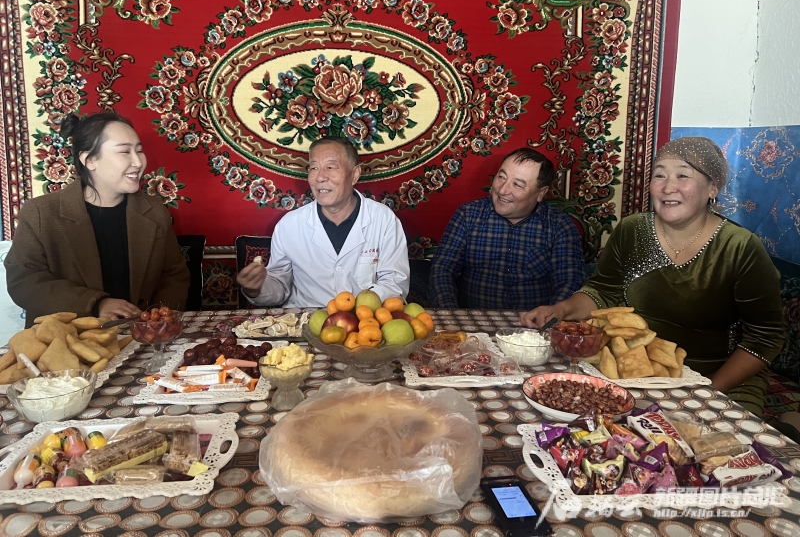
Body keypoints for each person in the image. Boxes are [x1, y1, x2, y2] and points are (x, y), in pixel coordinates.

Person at [520, 137, 785, 416]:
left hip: (720, 378)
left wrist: (708, 392)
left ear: (712, 188)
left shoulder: (740, 247)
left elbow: (765, 338)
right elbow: (602, 291)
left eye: (683, 175)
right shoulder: (632, 230)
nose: (668, 187)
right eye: (659, 175)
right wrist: (560, 309)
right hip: (636, 370)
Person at [5, 112, 190, 325]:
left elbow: (174, 275)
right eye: (125, 151)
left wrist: (156, 321)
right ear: (90, 160)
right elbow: (24, 280)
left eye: (139, 150)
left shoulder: (154, 211)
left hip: (140, 336)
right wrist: (95, 304)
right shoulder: (40, 213)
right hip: (69, 338)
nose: (138, 162)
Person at [236, 138, 410, 307]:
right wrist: (256, 288)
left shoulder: (383, 219)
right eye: (313, 168)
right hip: (303, 320)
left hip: (363, 321)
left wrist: (353, 310)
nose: (320, 177)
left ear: (354, 174)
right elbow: (280, 286)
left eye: (330, 167)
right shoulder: (289, 225)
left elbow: (395, 284)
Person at [429, 148, 584, 310]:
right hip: (470, 320)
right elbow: (442, 270)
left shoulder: (559, 226)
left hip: (535, 323)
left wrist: (550, 318)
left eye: (517, 184)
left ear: (541, 193)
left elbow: (569, 282)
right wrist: (450, 315)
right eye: (501, 177)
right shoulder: (468, 215)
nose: (502, 190)